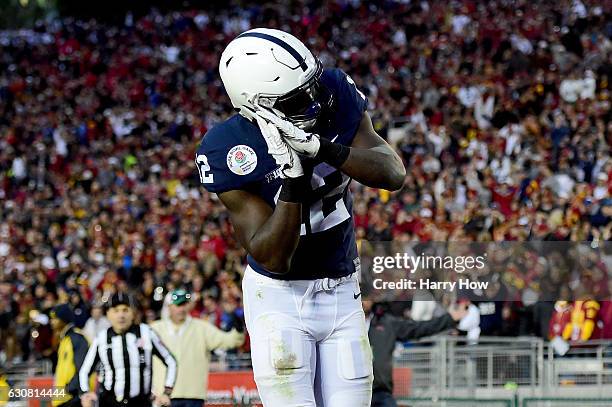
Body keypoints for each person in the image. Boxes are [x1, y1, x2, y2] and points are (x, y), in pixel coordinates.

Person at [196, 28, 405, 406]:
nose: (314, 101)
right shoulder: (227, 147)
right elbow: (272, 255)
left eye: (311, 86)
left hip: (342, 287)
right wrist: (293, 180)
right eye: (296, 98)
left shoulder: (334, 90)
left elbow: (393, 173)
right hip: (279, 297)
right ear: (255, 104)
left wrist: (324, 149)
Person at [78, 293, 177, 407]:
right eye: (116, 310)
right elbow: (84, 371)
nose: (121, 315)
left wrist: (167, 392)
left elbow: (171, 361)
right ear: (108, 314)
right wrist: (85, 394)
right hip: (109, 402)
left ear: (133, 312)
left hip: (140, 402)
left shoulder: (146, 333)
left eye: (125, 310)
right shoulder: (101, 338)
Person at [150, 289, 245, 407]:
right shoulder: (154, 329)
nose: (182, 309)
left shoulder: (202, 328)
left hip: (193, 396)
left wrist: (237, 322)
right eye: (178, 305)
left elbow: (230, 341)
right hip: (163, 396)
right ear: (168, 306)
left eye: (184, 304)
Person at [363, 301, 468, 407]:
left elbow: (418, 328)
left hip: (380, 392)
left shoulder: (385, 322)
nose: (361, 299)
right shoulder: (348, 325)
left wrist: (448, 318)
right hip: (350, 390)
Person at [50, 304, 93, 407]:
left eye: (55, 318)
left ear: (63, 319)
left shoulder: (77, 338)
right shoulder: (65, 339)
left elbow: (83, 368)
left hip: (73, 399)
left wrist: (70, 389)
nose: (52, 322)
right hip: (63, 398)